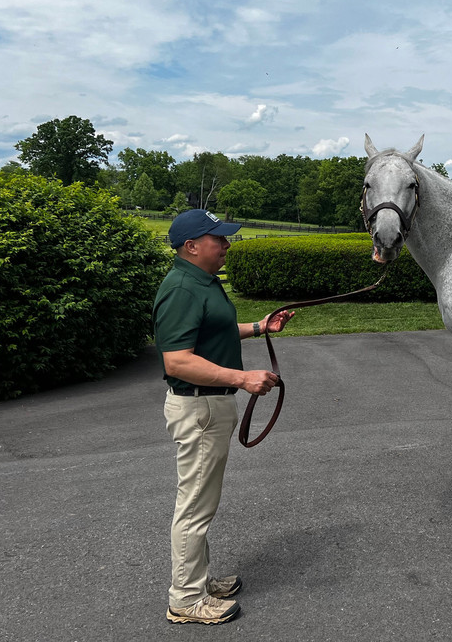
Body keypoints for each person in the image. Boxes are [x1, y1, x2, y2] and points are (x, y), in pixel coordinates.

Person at [153, 208, 294, 625]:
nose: (227, 245)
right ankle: (185, 599)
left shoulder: (201, 281)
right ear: (191, 246)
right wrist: (242, 377)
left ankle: (197, 580)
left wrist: (259, 326)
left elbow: (212, 331)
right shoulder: (181, 287)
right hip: (198, 408)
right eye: (219, 239)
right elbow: (177, 360)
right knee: (195, 505)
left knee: (202, 501)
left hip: (211, 406)